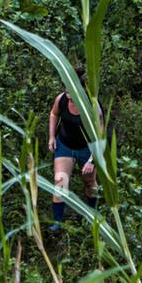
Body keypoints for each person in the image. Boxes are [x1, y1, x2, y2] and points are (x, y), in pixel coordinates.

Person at [47, 67, 101, 234]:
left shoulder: (92, 106)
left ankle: (92, 216)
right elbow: (53, 114)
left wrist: (92, 160)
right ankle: (57, 223)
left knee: (90, 183)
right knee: (60, 182)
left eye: (72, 90)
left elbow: (100, 136)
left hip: (87, 148)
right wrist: (51, 137)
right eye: (66, 89)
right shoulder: (61, 99)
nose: (68, 93)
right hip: (65, 145)